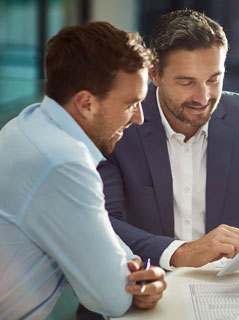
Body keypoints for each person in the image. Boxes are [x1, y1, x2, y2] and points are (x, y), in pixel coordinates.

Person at [98, 9, 239, 278]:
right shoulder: (122, 124)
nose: (203, 97)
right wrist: (180, 252)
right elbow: (103, 222)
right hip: (149, 280)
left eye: (214, 79)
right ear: (154, 75)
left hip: (230, 284)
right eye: (187, 82)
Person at [0, 22, 167, 319]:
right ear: (86, 103)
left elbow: (107, 243)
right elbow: (113, 299)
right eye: (132, 104)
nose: (140, 118)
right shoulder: (63, 163)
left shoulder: (28, 124)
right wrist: (134, 280)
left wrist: (134, 271)